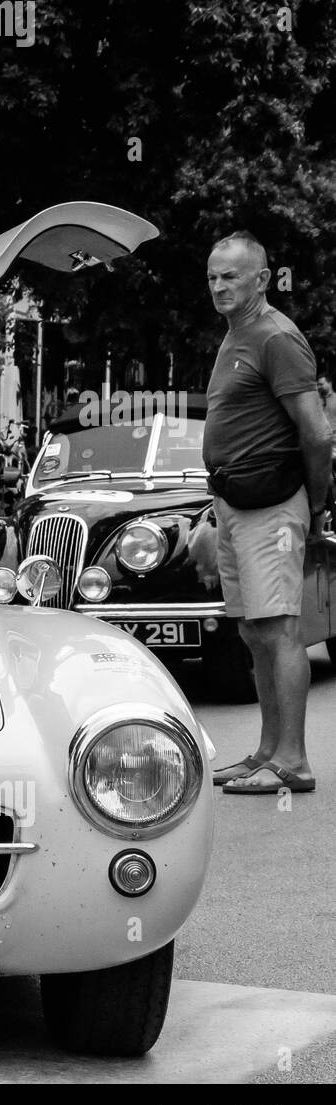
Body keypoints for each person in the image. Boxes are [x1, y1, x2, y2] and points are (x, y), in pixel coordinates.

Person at [204, 231, 332, 796]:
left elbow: (317, 432)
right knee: (255, 632)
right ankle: (266, 751)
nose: (219, 285)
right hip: (235, 505)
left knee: (280, 630)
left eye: (231, 275)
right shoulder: (237, 335)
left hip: (273, 507)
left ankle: (294, 763)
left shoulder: (277, 336)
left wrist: (317, 504)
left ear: (261, 278)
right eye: (212, 276)